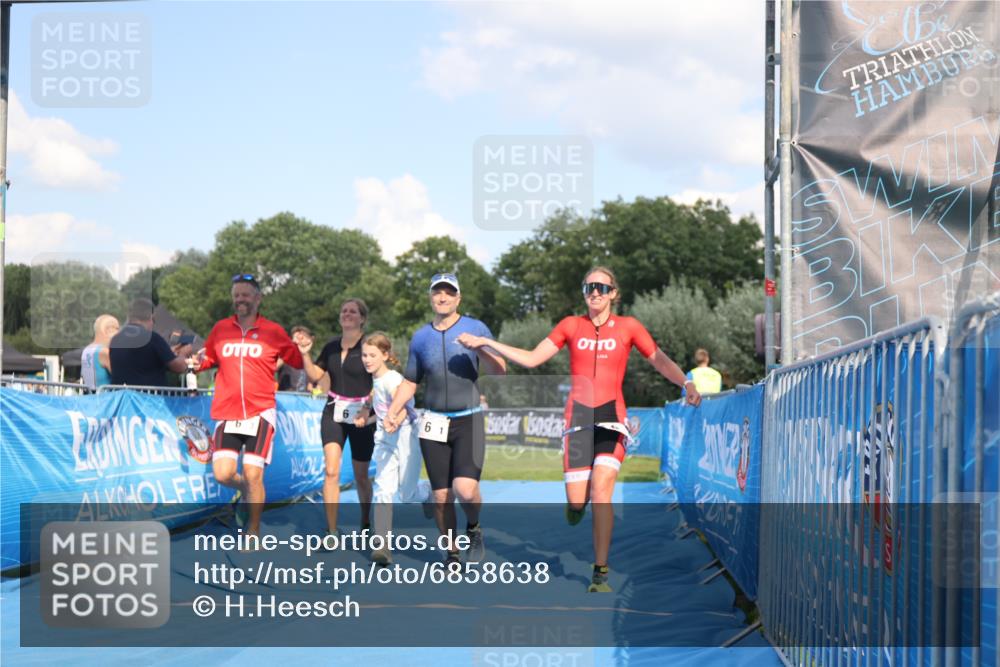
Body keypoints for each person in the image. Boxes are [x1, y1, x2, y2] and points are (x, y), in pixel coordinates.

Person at [458, 266, 701, 592]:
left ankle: (600, 570)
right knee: (576, 500)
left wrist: (686, 381)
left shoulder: (628, 327)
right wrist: (487, 343)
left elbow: (658, 359)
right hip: (577, 419)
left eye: (602, 287)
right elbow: (532, 359)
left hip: (612, 417)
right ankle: (576, 506)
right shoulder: (571, 325)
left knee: (602, 490)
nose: (595, 293)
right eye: (589, 287)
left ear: (614, 293)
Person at [385, 273, 506, 567]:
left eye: (449, 292)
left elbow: (499, 369)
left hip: (469, 420)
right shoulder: (420, 337)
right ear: (431, 297)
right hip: (434, 422)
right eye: (437, 292)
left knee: (465, 490)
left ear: (458, 298)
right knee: (441, 495)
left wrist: (479, 348)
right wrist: (394, 409)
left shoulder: (475, 327)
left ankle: (474, 528)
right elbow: (411, 381)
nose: (442, 297)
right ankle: (451, 552)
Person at [197, 274, 304, 538]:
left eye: (245, 295)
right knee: (223, 474)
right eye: (236, 295)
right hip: (227, 411)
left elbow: (296, 360)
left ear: (257, 298)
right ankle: (246, 492)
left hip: (260, 412)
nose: (240, 300)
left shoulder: (273, 330)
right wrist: (192, 361)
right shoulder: (220, 329)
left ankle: (253, 530)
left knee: (254, 474)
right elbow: (208, 359)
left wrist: (301, 349)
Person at [297, 299, 377, 536]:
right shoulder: (331, 346)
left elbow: (379, 380)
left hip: (362, 414)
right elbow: (315, 374)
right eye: (344, 310)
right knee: (331, 471)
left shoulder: (368, 346)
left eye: (353, 311)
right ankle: (331, 531)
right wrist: (305, 354)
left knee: (361, 475)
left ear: (362, 318)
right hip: (333, 411)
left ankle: (365, 521)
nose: (347, 314)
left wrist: (368, 407)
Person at [359, 332, 431, 565]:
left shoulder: (393, 379)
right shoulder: (375, 380)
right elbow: (379, 408)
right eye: (364, 355)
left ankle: (427, 493)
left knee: (407, 494)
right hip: (385, 438)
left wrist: (395, 419)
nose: (367, 360)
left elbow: (404, 406)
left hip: (406, 436)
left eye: (372, 355)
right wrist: (366, 419)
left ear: (385, 355)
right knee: (382, 489)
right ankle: (382, 547)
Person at [110, 299, 191, 387]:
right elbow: (179, 367)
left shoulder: (115, 339)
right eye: (153, 320)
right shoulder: (152, 338)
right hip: (150, 398)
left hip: (124, 398)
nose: (153, 324)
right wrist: (184, 353)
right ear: (150, 317)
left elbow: (141, 360)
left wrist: (168, 351)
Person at [81, 314, 120, 389]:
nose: (118, 333)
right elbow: (121, 377)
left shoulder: (86, 350)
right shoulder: (104, 352)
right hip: (106, 398)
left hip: (90, 397)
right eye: (117, 329)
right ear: (108, 329)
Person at [277, 326, 314, 392]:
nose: (299, 342)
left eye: (302, 338)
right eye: (296, 338)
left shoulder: (312, 361)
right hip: (286, 398)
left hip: (305, 399)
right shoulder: (285, 356)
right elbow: (272, 368)